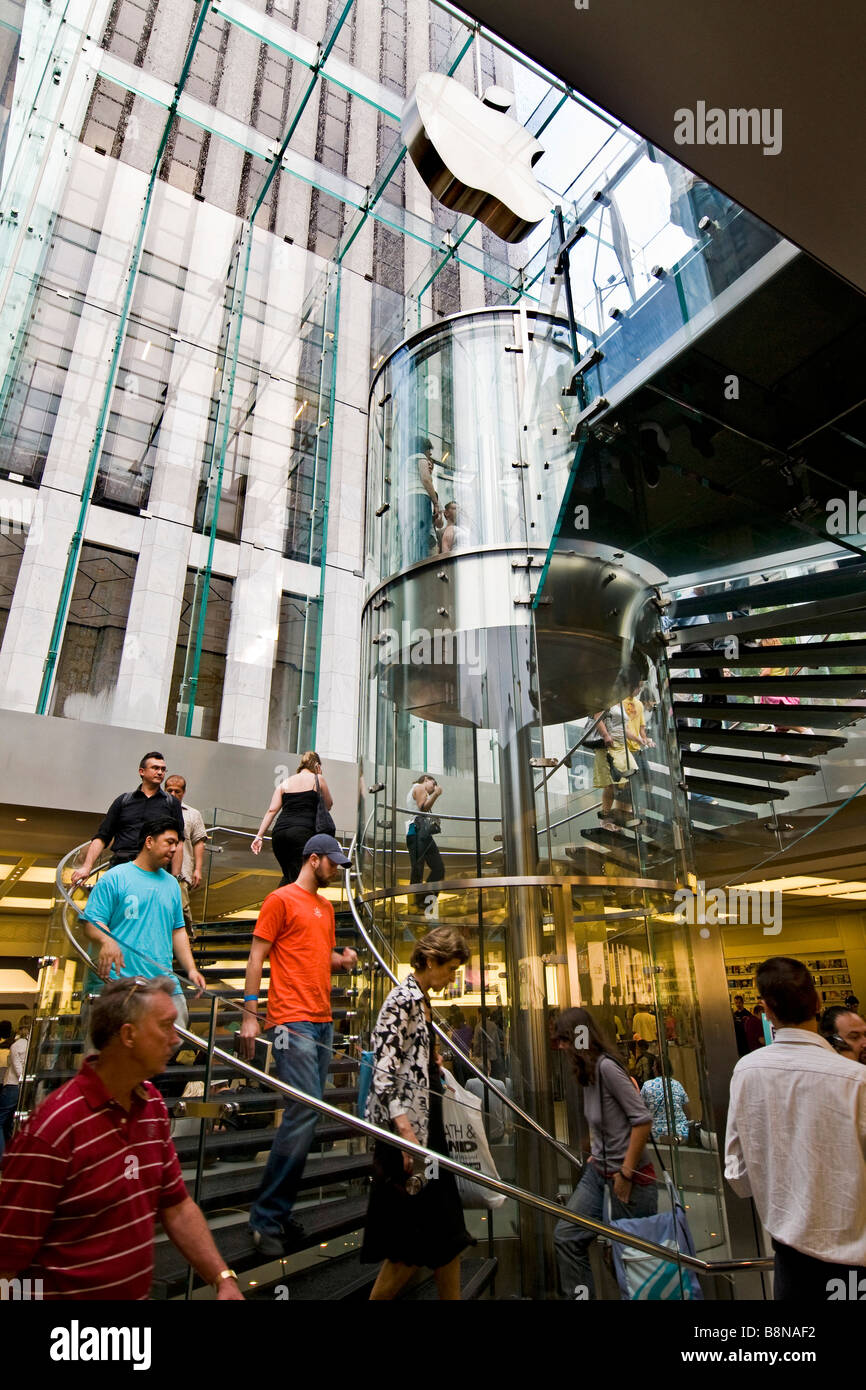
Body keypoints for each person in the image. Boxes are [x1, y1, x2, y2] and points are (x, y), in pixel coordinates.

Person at [0, 978, 243, 1299]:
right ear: (128, 1035)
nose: (175, 1039)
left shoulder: (152, 1105)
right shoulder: (55, 1127)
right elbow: (7, 1261)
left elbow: (177, 1206)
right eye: (166, 1025)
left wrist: (222, 1277)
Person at [239, 834, 357, 1257]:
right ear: (314, 859)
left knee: (306, 1116)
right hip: (290, 1021)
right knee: (303, 1111)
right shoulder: (280, 900)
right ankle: (266, 1217)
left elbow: (314, 954)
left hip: (322, 1021)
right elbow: (257, 957)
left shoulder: (325, 908)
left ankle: (278, 1210)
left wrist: (339, 961)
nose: (337, 870)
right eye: (333, 863)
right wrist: (250, 1014)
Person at [725, 956, 866, 1300]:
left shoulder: (747, 1071)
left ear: (765, 1009)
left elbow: (738, 1175)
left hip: (790, 1260)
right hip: (856, 1262)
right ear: (817, 1003)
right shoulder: (857, 1081)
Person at [361, 925, 474, 1299]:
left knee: (448, 1236)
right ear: (428, 960)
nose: (452, 977)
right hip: (409, 1139)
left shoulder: (422, 1000)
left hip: (428, 1134)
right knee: (407, 1247)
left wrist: (431, 1064)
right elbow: (383, 1069)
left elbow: (407, 1060)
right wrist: (406, 1135)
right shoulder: (403, 999)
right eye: (450, 969)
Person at [552, 1007, 657, 1300]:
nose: (560, 1047)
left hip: (629, 1179)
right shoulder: (588, 1073)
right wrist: (596, 1150)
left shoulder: (606, 1068)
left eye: (563, 1039)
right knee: (567, 1236)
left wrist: (625, 1172)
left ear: (579, 1038)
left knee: (628, 1262)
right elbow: (609, 1120)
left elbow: (642, 1119)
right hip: (599, 1173)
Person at [79, 817, 207, 1030]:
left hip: (162, 986)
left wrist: (191, 969)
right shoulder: (114, 878)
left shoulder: (172, 886)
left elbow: (178, 932)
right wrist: (106, 939)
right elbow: (92, 922)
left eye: (177, 843)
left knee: (169, 1043)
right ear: (149, 841)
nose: (175, 849)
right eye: (169, 842)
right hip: (117, 984)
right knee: (110, 1054)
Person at [70, 751, 185, 885]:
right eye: (155, 768)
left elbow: (178, 843)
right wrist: (87, 867)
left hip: (154, 869)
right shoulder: (123, 800)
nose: (160, 772)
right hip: (120, 866)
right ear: (142, 771)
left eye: (163, 769)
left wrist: (175, 878)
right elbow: (102, 837)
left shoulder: (172, 803)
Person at [250, 751, 334, 887]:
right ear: (317, 765)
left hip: (279, 835)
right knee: (303, 879)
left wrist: (259, 836)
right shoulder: (318, 779)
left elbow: (271, 811)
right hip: (302, 833)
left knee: (290, 876)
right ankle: (286, 905)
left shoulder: (285, 783)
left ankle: (279, 903)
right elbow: (329, 805)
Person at [165, 774, 208, 938]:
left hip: (182, 870)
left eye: (177, 791)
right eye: (170, 791)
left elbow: (199, 842)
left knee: (181, 905)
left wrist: (197, 869)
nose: (173, 795)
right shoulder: (158, 809)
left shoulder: (192, 814)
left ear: (184, 792)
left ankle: (188, 938)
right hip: (159, 867)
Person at [406, 773, 445, 913]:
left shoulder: (415, 790)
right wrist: (436, 794)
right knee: (429, 868)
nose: (434, 787)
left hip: (419, 832)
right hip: (418, 830)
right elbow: (423, 808)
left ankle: (421, 902)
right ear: (426, 780)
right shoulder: (419, 787)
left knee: (422, 868)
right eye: (433, 784)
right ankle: (420, 904)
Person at [401, 436, 441, 567]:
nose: (430, 453)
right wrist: (436, 502)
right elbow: (426, 479)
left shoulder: (408, 462)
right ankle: (422, 564)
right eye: (429, 449)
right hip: (419, 497)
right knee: (422, 535)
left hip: (410, 499)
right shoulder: (420, 457)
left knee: (416, 534)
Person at [0, 1017, 30, 1159]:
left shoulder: (16, 1045)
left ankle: (1, 1158)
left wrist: (21, 1078)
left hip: (12, 1085)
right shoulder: (32, 1044)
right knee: (11, 1123)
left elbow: (18, 1070)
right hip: (23, 1088)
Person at [641, 1073, 690, 1142]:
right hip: (680, 1131)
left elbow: (641, 1110)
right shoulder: (677, 1084)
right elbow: (686, 1109)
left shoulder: (647, 1085)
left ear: (655, 1069)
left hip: (655, 1133)